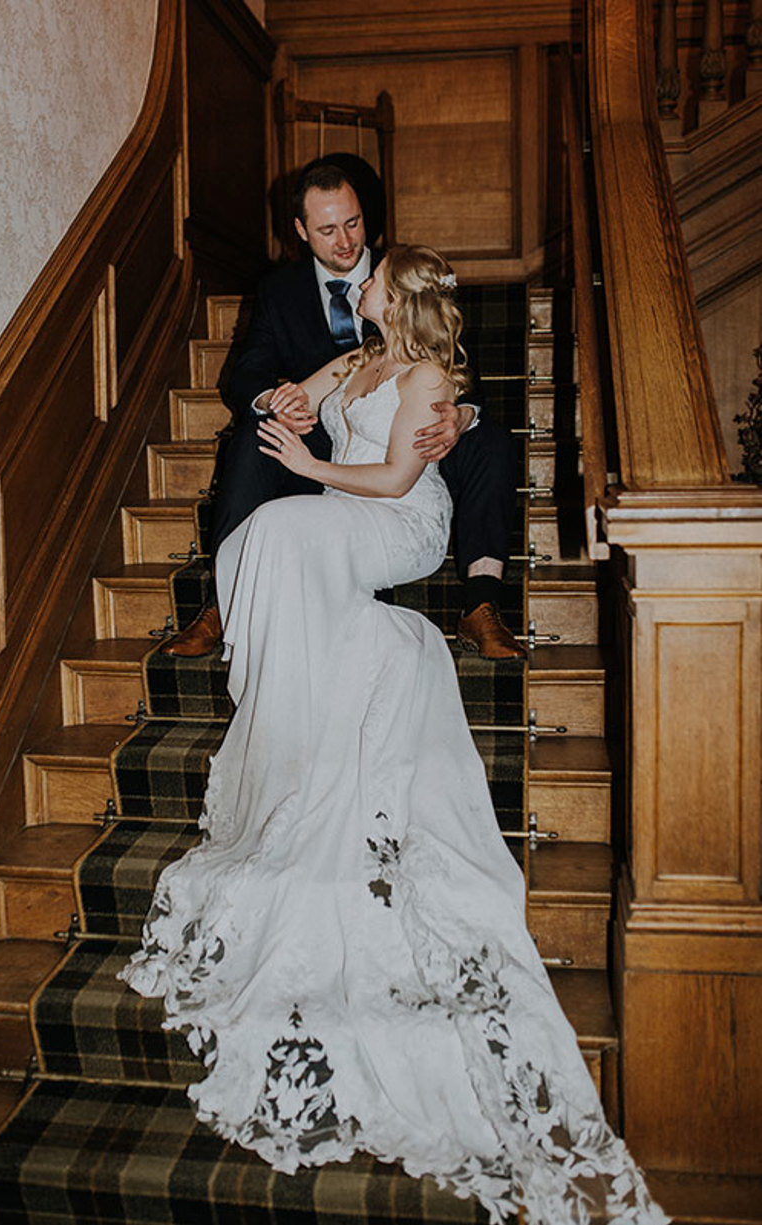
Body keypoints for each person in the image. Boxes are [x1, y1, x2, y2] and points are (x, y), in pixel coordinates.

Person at [120, 245, 668, 1225]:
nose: (356, 285)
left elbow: (391, 475)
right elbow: (292, 395)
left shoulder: (431, 377)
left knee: (282, 530)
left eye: (370, 278)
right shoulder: (356, 357)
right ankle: (292, 702)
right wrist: (286, 411)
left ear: (399, 294)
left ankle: (317, 675)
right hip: (337, 502)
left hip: (397, 514)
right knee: (254, 535)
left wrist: (311, 463)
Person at [161, 159, 524, 661]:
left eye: (352, 223)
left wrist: (461, 417)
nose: (346, 241)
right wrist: (277, 402)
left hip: (420, 444)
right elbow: (251, 374)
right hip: (327, 436)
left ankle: (483, 604)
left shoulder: (406, 275)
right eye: (328, 230)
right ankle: (225, 601)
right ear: (301, 231)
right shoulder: (280, 291)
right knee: (255, 434)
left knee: (495, 440)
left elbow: (462, 372)